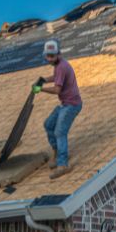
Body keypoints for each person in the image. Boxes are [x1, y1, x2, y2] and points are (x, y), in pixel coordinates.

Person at [36, 38, 82, 180]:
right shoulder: (59, 65)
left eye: (52, 56)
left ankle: (63, 164)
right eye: (47, 56)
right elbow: (56, 77)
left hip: (71, 105)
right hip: (64, 104)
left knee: (59, 132)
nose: (49, 58)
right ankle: (57, 152)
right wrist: (43, 79)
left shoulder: (61, 66)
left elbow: (57, 90)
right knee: (48, 125)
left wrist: (41, 89)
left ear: (58, 54)